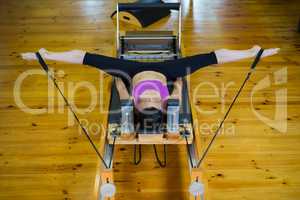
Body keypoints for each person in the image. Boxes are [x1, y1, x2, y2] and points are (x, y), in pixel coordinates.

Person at [21, 45, 279, 132]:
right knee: (212, 58)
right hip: (168, 70)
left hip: (130, 71)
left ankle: (44, 53)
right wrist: (179, 80)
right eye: (155, 99)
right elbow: (178, 87)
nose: (150, 96)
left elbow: (119, 85)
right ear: (163, 104)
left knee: (87, 58)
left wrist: (45, 57)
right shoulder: (169, 102)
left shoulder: (130, 100)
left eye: (146, 100)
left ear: (136, 104)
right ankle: (254, 52)